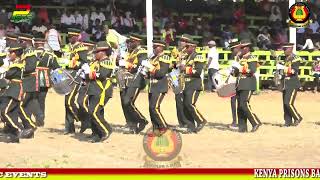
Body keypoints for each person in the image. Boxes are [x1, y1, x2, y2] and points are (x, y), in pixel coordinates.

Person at [0, 43, 35, 143]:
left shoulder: (17, 64)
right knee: (12, 112)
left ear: (16, 53)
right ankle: (15, 132)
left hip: (14, 90)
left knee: (4, 111)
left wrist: (3, 71)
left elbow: (8, 74)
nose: (9, 54)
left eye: (11, 52)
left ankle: (19, 130)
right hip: (11, 89)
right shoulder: (15, 63)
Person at [84, 41, 113, 143]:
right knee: (94, 112)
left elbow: (102, 75)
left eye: (96, 52)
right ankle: (96, 134)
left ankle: (106, 130)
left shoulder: (106, 62)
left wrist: (88, 73)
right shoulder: (95, 62)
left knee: (94, 112)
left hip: (101, 90)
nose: (94, 54)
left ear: (103, 52)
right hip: (93, 89)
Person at [119, 33, 148, 134]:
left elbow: (140, 65)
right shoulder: (130, 52)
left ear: (137, 42)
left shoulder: (142, 51)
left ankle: (141, 120)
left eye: (131, 41)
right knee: (124, 101)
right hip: (127, 79)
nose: (129, 43)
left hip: (136, 80)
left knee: (128, 102)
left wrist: (127, 64)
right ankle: (131, 123)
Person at [231, 40, 261, 132]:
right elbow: (236, 73)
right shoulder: (240, 58)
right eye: (240, 48)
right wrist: (233, 71)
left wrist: (239, 68)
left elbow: (252, 70)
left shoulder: (252, 57)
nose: (241, 49)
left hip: (248, 83)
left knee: (244, 104)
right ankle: (242, 127)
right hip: (240, 83)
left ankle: (255, 122)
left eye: (242, 48)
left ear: (247, 48)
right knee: (239, 106)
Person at [64, 28, 89, 134]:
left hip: (77, 75)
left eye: (71, 37)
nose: (69, 38)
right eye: (68, 37)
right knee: (66, 101)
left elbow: (84, 62)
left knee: (69, 101)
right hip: (68, 75)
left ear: (76, 37)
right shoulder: (68, 47)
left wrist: (72, 64)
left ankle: (85, 119)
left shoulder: (81, 47)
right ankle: (69, 127)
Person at [32, 37, 60, 127]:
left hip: (33, 79)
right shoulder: (50, 55)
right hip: (46, 79)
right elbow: (56, 68)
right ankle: (41, 119)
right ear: (43, 44)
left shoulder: (31, 53)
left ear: (35, 44)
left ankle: (38, 116)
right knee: (42, 99)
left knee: (33, 98)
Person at [182, 39, 207, 132]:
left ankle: (201, 121)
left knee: (190, 104)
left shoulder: (198, 57)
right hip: (187, 84)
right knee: (185, 105)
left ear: (193, 47)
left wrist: (186, 69)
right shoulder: (186, 57)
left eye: (187, 47)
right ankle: (190, 126)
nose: (186, 48)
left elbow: (198, 72)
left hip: (194, 84)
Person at [146, 40, 171, 136]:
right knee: (151, 108)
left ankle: (163, 127)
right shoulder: (153, 57)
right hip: (152, 85)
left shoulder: (164, 57)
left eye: (155, 47)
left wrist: (151, 69)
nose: (154, 48)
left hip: (160, 85)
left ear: (161, 48)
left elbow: (161, 72)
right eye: (153, 47)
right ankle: (156, 129)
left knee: (154, 107)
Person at [276, 43, 303, 127]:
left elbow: (294, 71)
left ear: (290, 49)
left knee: (288, 103)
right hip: (284, 83)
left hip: (292, 83)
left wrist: (283, 68)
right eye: (283, 49)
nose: (283, 51)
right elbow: (279, 70)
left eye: (285, 49)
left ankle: (297, 117)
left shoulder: (296, 58)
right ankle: (287, 121)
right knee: (285, 103)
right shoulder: (283, 58)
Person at [18, 33, 39, 137]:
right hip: (27, 81)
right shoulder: (26, 51)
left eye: (21, 41)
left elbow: (30, 67)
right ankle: (28, 129)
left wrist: (18, 68)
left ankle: (30, 126)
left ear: (27, 42)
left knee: (19, 105)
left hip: (29, 82)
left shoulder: (30, 52)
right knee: (25, 107)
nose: (20, 43)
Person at [228, 40, 242, 129]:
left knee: (240, 102)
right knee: (233, 101)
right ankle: (234, 120)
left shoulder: (241, 57)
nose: (232, 51)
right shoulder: (234, 57)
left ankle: (239, 121)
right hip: (233, 81)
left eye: (233, 49)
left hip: (240, 81)